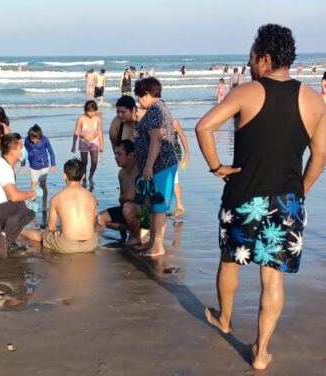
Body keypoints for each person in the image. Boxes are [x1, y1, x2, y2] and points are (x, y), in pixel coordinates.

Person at [195, 24, 326, 370]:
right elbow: (320, 156)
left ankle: (224, 319)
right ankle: (261, 351)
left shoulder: (247, 92)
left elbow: (203, 127)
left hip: (242, 197)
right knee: (273, 277)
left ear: (265, 59)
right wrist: (300, 192)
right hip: (287, 203)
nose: (249, 62)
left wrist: (216, 167)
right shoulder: (314, 100)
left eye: (252, 56)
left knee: (229, 261)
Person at [133, 77, 178, 257]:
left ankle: (157, 246)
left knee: (158, 207)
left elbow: (156, 139)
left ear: (146, 94)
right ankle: (151, 242)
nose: (139, 100)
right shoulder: (161, 108)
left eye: (140, 96)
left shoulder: (155, 111)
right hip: (159, 165)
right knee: (149, 204)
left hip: (161, 166)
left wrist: (148, 166)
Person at [21, 158, 98, 253]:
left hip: (67, 245)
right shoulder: (92, 197)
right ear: (83, 176)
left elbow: (51, 228)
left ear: (64, 176)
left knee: (41, 234)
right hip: (90, 244)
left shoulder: (57, 198)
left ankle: (19, 231)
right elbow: (93, 222)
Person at [0, 133, 36, 252]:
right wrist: (32, 193)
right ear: (13, 151)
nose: (23, 150)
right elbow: (14, 196)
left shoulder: (5, 165)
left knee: (20, 206)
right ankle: (4, 244)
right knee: (23, 208)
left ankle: (5, 238)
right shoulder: (4, 168)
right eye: (21, 147)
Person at [97, 140, 141, 245]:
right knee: (99, 218)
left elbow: (129, 196)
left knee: (128, 207)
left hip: (144, 214)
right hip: (129, 209)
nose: (115, 157)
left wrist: (124, 198)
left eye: (119, 154)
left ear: (130, 155)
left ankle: (137, 236)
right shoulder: (121, 173)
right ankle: (130, 232)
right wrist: (122, 234)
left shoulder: (139, 169)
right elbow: (122, 200)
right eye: (115, 154)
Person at [20, 124, 56, 210]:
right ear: (30, 137)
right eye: (33, 139)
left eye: (38, 139)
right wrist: (22, 165)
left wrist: (53, 164)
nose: (36, 141)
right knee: (33, 185)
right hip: (33, 167)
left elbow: (51, 152)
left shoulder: (45, 140)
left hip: (44, 166)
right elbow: (24, 153)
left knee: (43, 184)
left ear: (40, 136)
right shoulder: (27, 141)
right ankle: (32, 203)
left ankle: (44, 202)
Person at [72, 100, 103, 187]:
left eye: (94, 111)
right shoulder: (81, 119)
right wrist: (73, 145)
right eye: (89, 111)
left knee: (94, 162)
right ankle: (84, 178)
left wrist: (101, 144)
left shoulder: (97, 119)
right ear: (85, 110)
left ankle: (91, 176)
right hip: (83, 142)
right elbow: (76, 132)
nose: (92, 113)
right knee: (84, 162)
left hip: (94, 141)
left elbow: (99, 131)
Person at [172, 119, 190, 217]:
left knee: (175, 179)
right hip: (159, 151)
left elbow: (182, 136)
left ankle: (179, 205)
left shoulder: (173, 121)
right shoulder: (152, 120)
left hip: (173, 151)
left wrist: (187, 154)